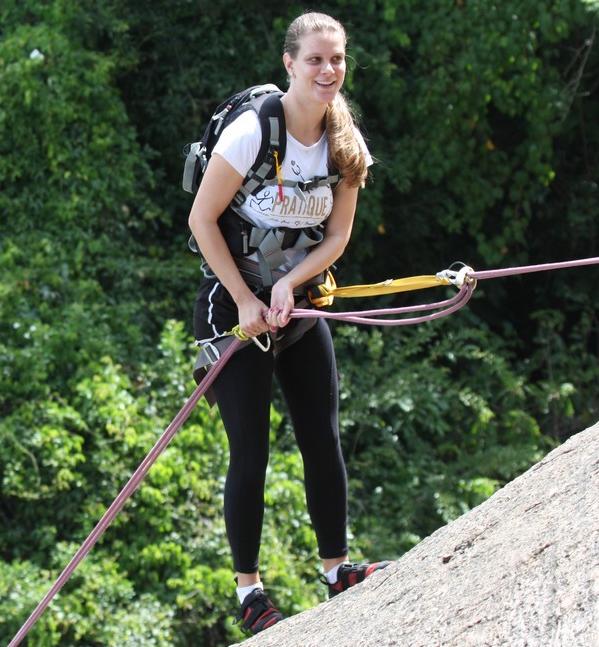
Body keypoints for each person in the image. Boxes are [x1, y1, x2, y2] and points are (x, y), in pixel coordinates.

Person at [186, 11, 390, 635]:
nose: (328, 71)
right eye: (316, 60)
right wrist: (248, 300)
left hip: (296, 304)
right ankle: (250, 593)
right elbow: (201, 220)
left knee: (322, 437)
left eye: (337, 59)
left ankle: (338, 569)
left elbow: (338, 235)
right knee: (251, 451)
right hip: (233, 307)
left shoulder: (343, 140)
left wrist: (288, 284)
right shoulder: (254, 131)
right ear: (290, 65)